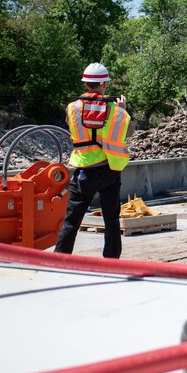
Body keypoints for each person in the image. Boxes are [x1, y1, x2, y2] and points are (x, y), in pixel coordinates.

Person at [54, 62, 131, 258]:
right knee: (111, 221)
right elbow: (126, 133)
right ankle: (111, 263)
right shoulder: (115, 109)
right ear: (104, 83)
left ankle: (59, 261)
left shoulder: (72, 108)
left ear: (86, 84)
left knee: (71, 221)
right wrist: (123, 111)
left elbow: (71, 127)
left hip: (83, 172)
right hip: (109, 170)